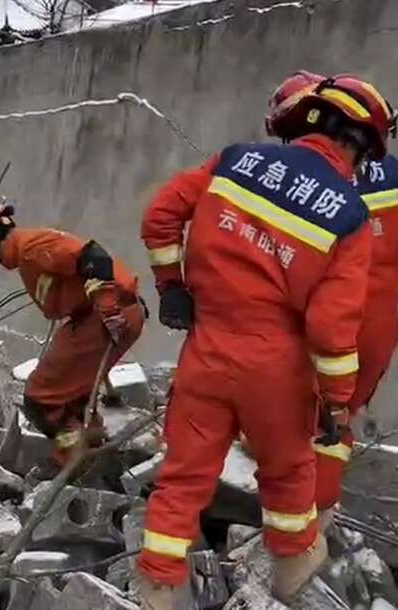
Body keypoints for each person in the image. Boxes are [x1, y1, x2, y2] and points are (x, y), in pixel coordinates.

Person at [137, 75, 393, 608]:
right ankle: (292, 581)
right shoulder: (349, 215)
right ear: (361, 145)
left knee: (182, 477)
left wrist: (172, 288)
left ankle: (158, 587)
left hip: (205, 352)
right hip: (277, 372)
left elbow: (161, 215)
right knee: (289, 475)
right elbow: (330, 329)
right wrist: (335, 401)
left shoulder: (234, 161)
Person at [267, 71, 398, 522]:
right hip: (380, 322)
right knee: (336, 422)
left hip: (322, 313)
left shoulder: (301, 176)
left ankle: (281, 524)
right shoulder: (391, 172)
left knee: (292, 413)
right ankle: (315, 519)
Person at [0, 203, 146, 465]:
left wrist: (108, 307)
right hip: (108, 314)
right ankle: (96, 457)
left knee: (41, 400)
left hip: (105, 316)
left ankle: (75, 462)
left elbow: (94, 257)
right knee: (73, 398)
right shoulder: (27, 252)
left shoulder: (32, 247)